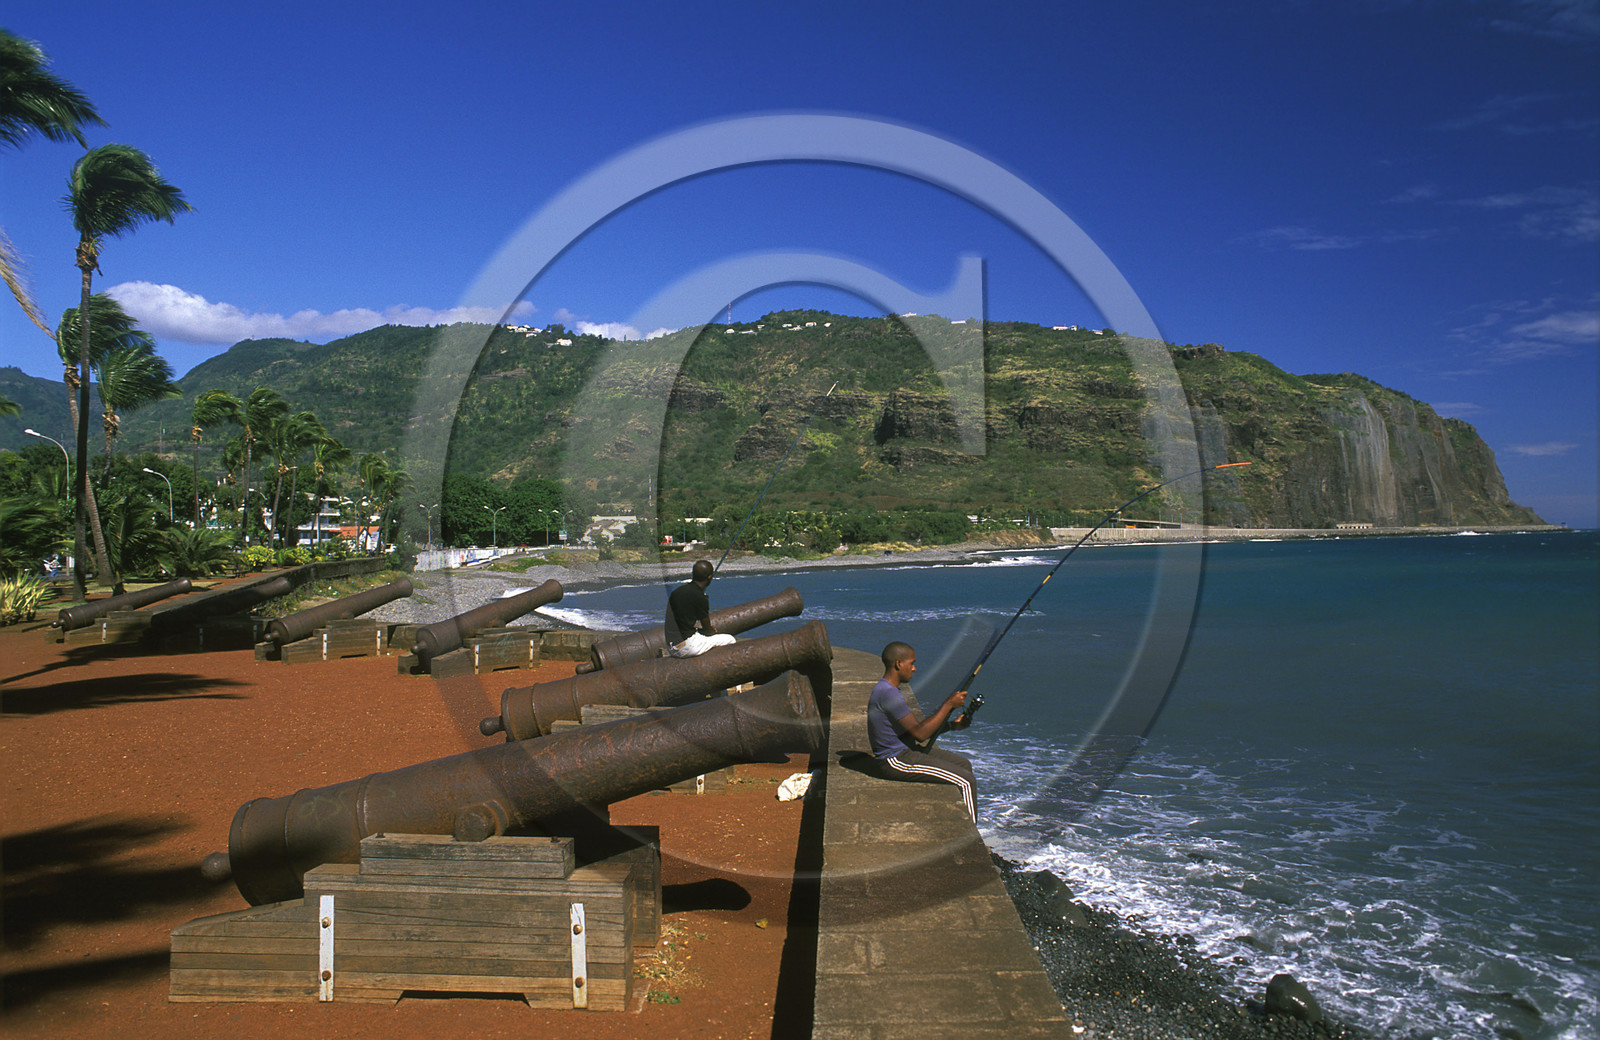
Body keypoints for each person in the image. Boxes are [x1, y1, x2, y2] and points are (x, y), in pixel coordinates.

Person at [866, 640, 978, 820]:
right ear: (898, 664)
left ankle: (957, 819)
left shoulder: (888, 690)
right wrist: (949, 703)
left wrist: (952, 726)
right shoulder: (888, 693)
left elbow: (914, 731)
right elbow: (920, 734)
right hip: (894, 759)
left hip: (905, 749)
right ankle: (972, 842)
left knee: (964, 765)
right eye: (912, 663)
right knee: (966, 781)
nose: (914, 668)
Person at [665, 559, 737, 658]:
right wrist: (711, 630)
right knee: (729, 639)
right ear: (709, 577)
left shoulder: (676, 592)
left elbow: (682, 622)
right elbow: (707, 628)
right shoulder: (700, 597)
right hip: (687, 647)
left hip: (671, 646)